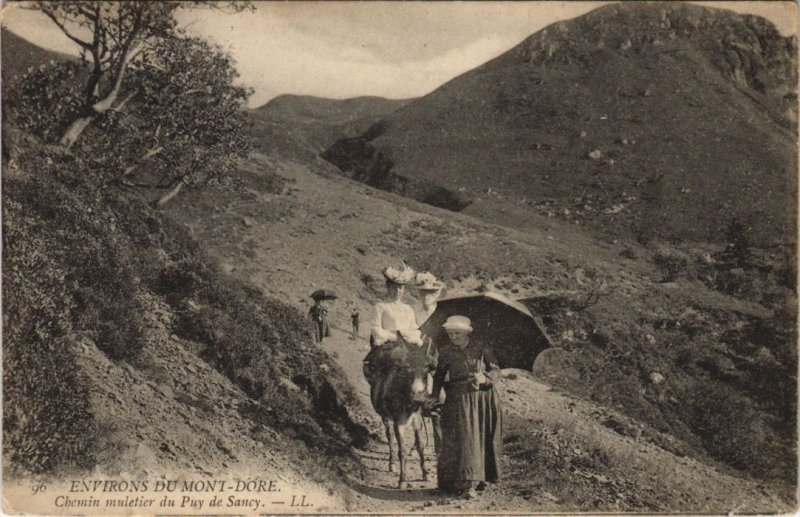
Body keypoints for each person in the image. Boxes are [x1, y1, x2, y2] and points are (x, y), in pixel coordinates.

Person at [431, 315, 503, 499]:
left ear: (466, 333)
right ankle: (458, 482)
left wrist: (484, 378)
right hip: (458, 399)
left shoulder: (481, 348)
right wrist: (433, 396)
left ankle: (475, 481)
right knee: (463, 439)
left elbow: (496, 370)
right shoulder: (446, 352)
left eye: (457, 333)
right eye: (450, 333)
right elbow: (439, 375)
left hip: (482, 398)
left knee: (477, 439)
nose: (453, 337)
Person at [364, 262, 426, 413]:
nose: (397, 291)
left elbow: (414, 329)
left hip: (407, 344)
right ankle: (384, 395)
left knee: (422, 362)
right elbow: (375, 328)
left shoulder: (408, 309)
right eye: (394, 287)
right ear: (388, 287)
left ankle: (420, 393)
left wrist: (411, 338)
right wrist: (392, 335)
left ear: (404, 289)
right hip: (389, 345)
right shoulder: (381, 307)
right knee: (396, 360)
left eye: (401, 287)